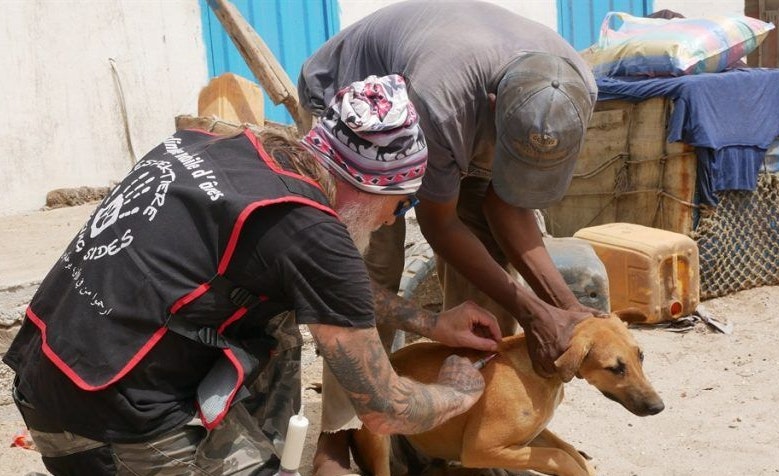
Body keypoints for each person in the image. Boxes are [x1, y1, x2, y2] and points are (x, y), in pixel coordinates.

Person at [2, 74, 502, 475]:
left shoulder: (226, 148)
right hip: (106, 431)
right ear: (371, 185)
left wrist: (432, 324)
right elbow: (386, 409)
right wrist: (460, 389)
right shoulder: (314, 233)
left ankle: (261, 450)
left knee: (282, 318)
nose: (397, 216)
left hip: (47, 383)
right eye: (403, 200)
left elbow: (326, 291)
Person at [298, 1, 601, 473]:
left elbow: (508, 206)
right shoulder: (441, 100)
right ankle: (343, 430)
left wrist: (565, 309)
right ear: (496, 110)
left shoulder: (573, 94)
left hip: (469, 124)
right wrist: (532, 309)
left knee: (489, 284)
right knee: (369, 268)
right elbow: (441, 224)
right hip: (365, 109)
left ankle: (463, 426)